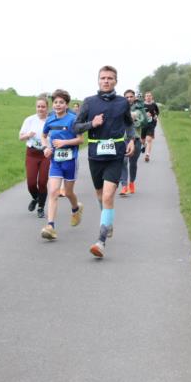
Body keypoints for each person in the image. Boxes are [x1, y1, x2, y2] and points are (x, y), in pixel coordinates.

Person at [74, 66, 135, 259]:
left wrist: (131, 139)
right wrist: (92, 124)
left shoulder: (122, 102)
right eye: (103, 78)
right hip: (95, 156)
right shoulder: (89, 102)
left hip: (116, 155)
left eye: (110, 78)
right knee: (100, 195)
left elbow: (128, 123)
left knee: (108, 196)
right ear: (98, 80)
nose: (106, 81)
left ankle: (100, 241)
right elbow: (75, 126)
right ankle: (107, 222)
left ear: (116, 81)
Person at [40, 89, 83, 240]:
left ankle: (76, 208)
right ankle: (50, 226)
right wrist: (46, 147)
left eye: (61, 102)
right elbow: (44, 136)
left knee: (69, 192)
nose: (58, 105)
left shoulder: (73, 119)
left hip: (70, 160)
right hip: (56, 162)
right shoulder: (50, 120)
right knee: (53, 192)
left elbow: (80, 139)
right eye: (56, 102)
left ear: (66, 104)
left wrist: (64, 142)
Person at [19, 95, 51, 217]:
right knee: (31, 183)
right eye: (38, 106)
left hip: (45, 154)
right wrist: (28, 135)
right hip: (32, 153)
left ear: (47, 107)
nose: (40, 109)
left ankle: (41, 208)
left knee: (42, 182)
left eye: (43, 106)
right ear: (36, 107)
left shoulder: (51, 120)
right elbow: (20, 137)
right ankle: (36, 197)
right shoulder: (29, 120)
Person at [119, 90, 146, 196]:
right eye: (126, 97)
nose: (129, 99)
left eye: (131, 97)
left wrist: (135, 120)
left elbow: (145, 122)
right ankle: (124, 186)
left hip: (136, 139)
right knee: (123, 162)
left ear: (134, 98)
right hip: (123, 139)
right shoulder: (120, 109)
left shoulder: (140, 108)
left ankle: (131, 183)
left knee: (133, 163)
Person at [142, 91, 160, 161]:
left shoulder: (154, 105)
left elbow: (157, 112)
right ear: (145, 97)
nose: (148, 97)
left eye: (149, 96)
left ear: (152, 97)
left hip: (151, 124)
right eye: (147, 96)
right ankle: (144, 145)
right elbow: (138, 113)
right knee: (142, 140)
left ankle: (147, 155)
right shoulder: (142, 105)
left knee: (149, 139)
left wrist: (155, 115)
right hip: (143, 124)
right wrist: (144, 115)